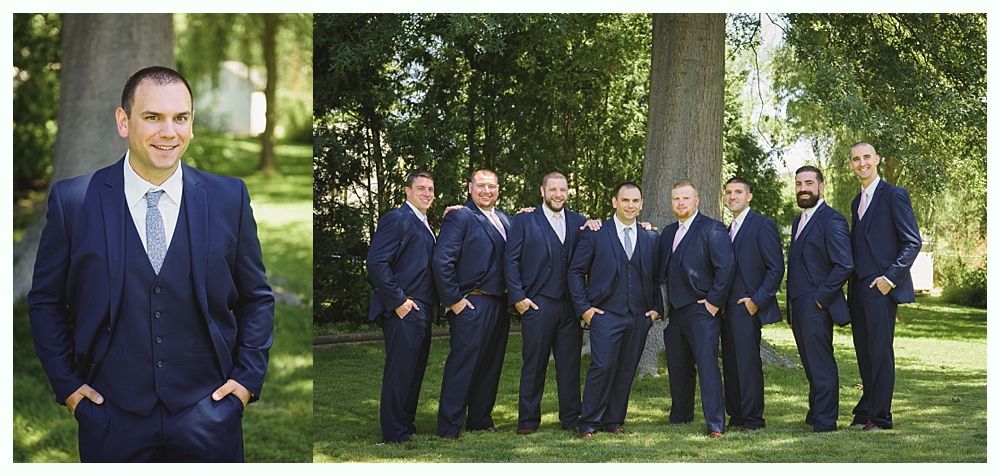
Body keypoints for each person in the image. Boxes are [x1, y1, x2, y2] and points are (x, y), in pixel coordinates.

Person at [28, 66, 274, 462]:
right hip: (110, 415)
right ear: (123, 122)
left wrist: (245, 380)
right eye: (153, 117)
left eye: (181, 118)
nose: (169, 132)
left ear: (192, 125)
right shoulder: (73, 202)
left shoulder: (229, 198)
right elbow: (45, 301)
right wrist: (69, 387)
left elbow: (257, 297)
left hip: (209, 411)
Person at [568, 182, 661, 440]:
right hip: (605, 315)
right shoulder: (596, 233)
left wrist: (655, 310)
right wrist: (584, 309)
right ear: (614, 202)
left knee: (626, 368)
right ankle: (588, 422)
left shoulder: (650, 237)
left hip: (639, 317)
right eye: (625, 200)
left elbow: (657, 276)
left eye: (635, 201)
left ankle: (614, 420)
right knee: (602, 366)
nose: (630, 206)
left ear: (641, 204)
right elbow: (576, 272)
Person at [846, 142, 921, 431]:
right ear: (851, 164)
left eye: (866, 157)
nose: (861, 163)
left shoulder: (894, 195)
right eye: (856, 159)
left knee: (880, 351)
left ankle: (881, 417)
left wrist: (890, 279)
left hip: (881, 287)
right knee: (864, 351)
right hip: (859, 288)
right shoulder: (856, 201)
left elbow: (912, 241)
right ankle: (866, 409)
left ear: (877, 159)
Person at [504, 172, 586, 435]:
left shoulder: (579, 222)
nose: (558, 194)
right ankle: (528, 421)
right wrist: (518, 298)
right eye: (553, 189)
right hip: (537, 304)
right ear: (542, 191)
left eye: (563, 190)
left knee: (569, 365)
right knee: (534, 363)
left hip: (570, 308)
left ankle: (572, 418)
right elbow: (511, 260)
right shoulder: (525, 220)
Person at [433, 168, 512, 439]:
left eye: (491, 186)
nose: (486, 191)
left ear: (498, 189)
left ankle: (479, 418)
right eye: (480, 186)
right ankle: (449, 426)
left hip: (500, 304)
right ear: (469, 188)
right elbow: (442, 261)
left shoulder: (505, 219)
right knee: (462, 366)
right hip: (472, 303)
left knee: (490, 366)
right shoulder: (460, 216)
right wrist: (454, 300)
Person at [657, 180, 734, 438]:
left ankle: (715, 423)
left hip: (703, 311)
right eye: (676, 198)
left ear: (696, 200)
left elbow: (726, 268)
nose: (681, 203)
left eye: (685, 198)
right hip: (675, 313)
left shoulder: (712, 229)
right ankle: (681, 416)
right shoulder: (668, 233)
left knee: (707, 366)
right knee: (678, 366)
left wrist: (713, 302)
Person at [366, 170, 438, 443]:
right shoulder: (397, 219)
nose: (427, 194)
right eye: (421, 188)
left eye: (431, 189)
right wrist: (399, 301)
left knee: (414, 370)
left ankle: (406, 425)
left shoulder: (425, 223)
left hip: (422, 310)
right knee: (400, 372)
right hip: (404, 309)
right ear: (407, 191)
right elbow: (376, 262)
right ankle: (394, 432)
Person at [786, 165, 853, 433]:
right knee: (810, 363)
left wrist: (820, 298)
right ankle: (816, 413)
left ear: (821, 186)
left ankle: (826, 421)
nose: (803, 189)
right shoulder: (798, 220)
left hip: (816, 305)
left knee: (821, 364)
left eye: (809, 183)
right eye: (799, 184)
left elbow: (844, 264)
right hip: (799, 305)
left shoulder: (832, 220)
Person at [720, 177, 784, 432]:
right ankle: (736, 415)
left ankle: (753, 419)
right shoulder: (726, 229)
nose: (732, 196)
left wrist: (757, 301)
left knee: (747, 364)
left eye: (738, 192)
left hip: (747, 307)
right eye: (729, 192)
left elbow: (775, 267)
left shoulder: (762, 225)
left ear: (749, 196)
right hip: (726, 309)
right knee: (731, 363)